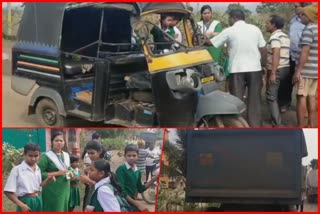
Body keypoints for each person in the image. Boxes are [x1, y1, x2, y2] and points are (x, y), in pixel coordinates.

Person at [210, 9, 267, 127]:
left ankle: (238, 125)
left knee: (237, 99)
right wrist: (263, 65)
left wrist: (202, 40)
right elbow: (263, 49)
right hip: (255, 68)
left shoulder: (229, 30)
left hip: (237, 69)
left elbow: (212, 43)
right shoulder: (255, 29)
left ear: (233, 18)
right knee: (254, 99)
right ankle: (255, 125)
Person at [4, 143, 53, 212]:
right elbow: (8, 191)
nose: (33, 159)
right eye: (30, 155)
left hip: (38, 199)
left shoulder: (37, 168)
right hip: (25, 201)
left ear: (40, 155)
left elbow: (39, 186)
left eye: (36, 156)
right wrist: (21, 205)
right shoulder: (17, 170)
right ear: (24, 155)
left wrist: (47, 180)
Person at [279, 3, 309, 112]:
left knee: (303, 84)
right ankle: (284, 104)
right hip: (291, 55)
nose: (294, 8)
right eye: (294, 6)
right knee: (287, 80)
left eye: (297, 6)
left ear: (304, 6)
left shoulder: (309, 20)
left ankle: (305, 109)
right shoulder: (293, 20)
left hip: (303, 56)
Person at [292, 4, 318, 127]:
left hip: (306, 70)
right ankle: (312, 126)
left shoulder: (309, 29)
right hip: (315, 71)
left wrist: (298, 71)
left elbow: (305, 51)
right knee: (312, 98)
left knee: (301, 97)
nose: (301, 17)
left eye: (303, 15)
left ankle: (300, 127)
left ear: (310, 16)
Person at [265, 15, 291, 126]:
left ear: (273, 25)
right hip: (286, 67)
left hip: (278, 68)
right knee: (277, 94)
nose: (266, 25)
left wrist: (273, 73)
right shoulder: (285, 36)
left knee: (271, 96)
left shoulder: (275, 37)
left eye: (268, 23)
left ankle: (277, 123)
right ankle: (273, 119)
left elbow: (276, 53)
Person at [116, 144, 158, 211]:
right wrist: (137, 204)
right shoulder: (121, 169)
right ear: (125, 156)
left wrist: (153, 180)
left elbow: (140, 188)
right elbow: (121, 191)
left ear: (138, 156)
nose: (131, 158)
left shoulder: (138, 171)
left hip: (132, 201)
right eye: (129, 155)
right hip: (123, 202)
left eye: (134, 155)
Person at [38, 132, 72, 211]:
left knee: (63, 207)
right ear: (52, 142)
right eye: (56, 140)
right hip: (52, 189)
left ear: (64, 142)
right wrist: (57, 173)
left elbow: (69, 168)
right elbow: (39, 173)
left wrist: (71, 173)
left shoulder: (66, 155)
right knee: (54, 208)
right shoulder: (46, 156)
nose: (59, 142)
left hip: (65, 188)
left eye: (61, 140)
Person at [80, 141, 107, 211]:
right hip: (90, 191)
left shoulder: (103, 165)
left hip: (99, 195)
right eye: (88, 153)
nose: (90, 155)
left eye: (92, 153)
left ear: (100, 151)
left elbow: (106, 184)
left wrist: (88, 180)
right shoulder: (92, 163)